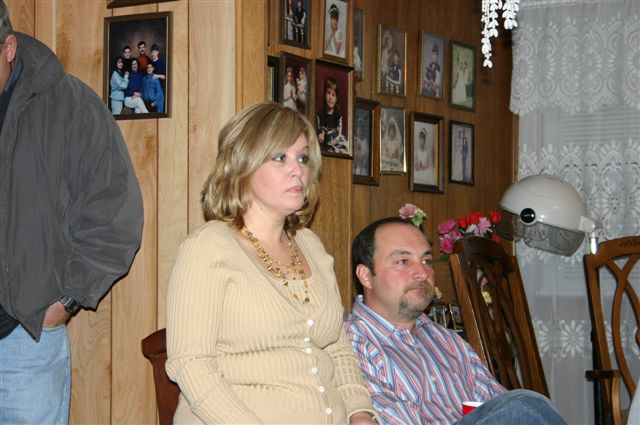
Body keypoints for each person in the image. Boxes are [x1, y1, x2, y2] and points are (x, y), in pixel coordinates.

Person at [165, 101, 377, 425]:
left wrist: (359, 411)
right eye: (280, 157)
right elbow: (191, 364)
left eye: (303, 158)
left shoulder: (309, 244)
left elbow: (336, 345)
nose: (298, 170)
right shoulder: (208, 246)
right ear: (242, 165)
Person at [0, 2, 144, 424]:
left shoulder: (70, 106)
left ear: (9, 48)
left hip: (22, 343)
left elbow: (115, 214)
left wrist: (65, 300)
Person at [345, 217, 567, 425]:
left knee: (522, 406)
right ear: (365, 275)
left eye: (427, 260)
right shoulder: (351, 343)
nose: (422, 272)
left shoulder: (445, 339)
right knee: (523, 407)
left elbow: (495, 405)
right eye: (403, 261)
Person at [315, 76, 348, 154]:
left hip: (335, 140)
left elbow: (339, 132)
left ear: (336, 99)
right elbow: (320, 128)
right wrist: (321, 135)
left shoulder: (338, 115)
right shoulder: (320, 114)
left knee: (345, 147)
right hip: (324, 142)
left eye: (333, 95)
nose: (330, 97)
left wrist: (334, 140)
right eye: (328, 93)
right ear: (324, 95)